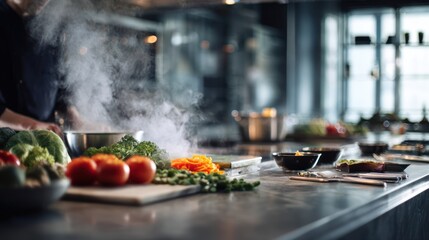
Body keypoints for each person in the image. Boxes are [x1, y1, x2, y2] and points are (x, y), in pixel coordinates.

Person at [0, 0, 63, 134]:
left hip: (45, 142)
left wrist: (77, 117)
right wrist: (31, 125)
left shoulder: (49, 22)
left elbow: (58, 85)